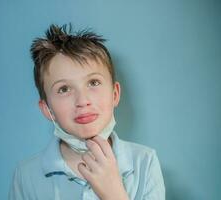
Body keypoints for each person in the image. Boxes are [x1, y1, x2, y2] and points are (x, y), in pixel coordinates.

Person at [9, 24, 165, 200]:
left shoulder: (145, 161)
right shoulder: (26, 175)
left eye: (93, 83)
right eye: (64, 89)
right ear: (47, 109)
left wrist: (114, 195)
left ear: (114, 94)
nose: (82, 101)